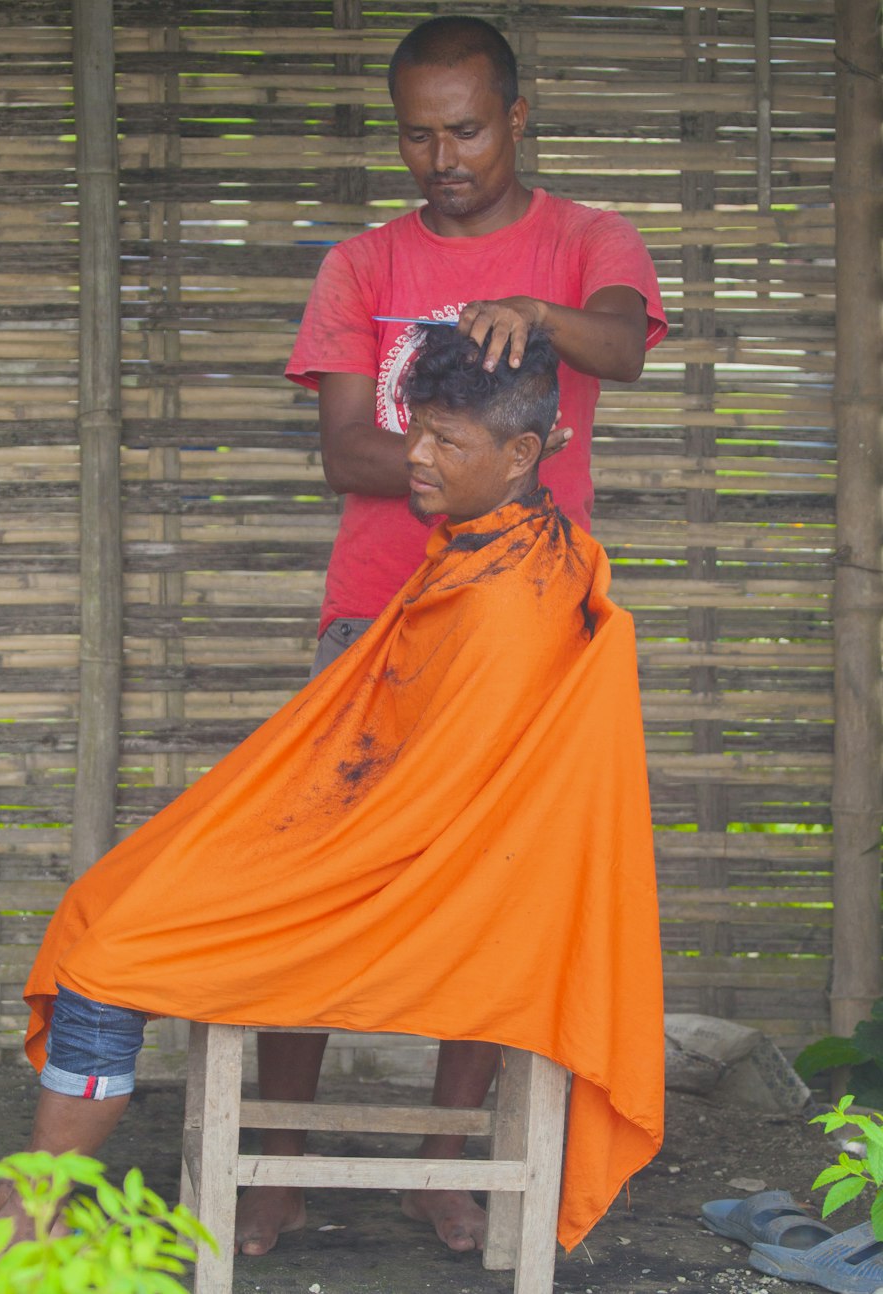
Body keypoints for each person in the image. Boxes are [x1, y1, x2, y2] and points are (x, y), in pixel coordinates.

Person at [0, 327, 664, 1272]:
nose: (414, 457)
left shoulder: (512, 598)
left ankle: (32, 1206)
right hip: (387, 858)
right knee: (110, 896)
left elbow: (432, 813)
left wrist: (285, 857)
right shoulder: (502, 550)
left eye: (445, 442)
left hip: (418, 901)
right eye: (414, 430)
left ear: (520, 455)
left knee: (110, 950)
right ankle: (33, 1190)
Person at [247, 11, 668, 1257]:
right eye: (419, 136)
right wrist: (472, 464)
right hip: (372, 619)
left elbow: (627, 345)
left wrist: (531, 312)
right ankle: (276, 1159)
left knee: (493, 889)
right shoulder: (362, 266)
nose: (443, 158)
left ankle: (447, 1161)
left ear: (518, 117)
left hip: (525, 627)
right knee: (310, 884)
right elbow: (344, 449)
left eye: (467, 130)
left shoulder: (586, 239)